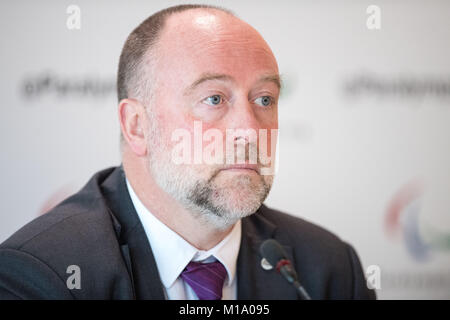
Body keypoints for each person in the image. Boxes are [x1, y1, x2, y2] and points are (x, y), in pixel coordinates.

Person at [0, 4, 376, 300]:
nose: (250, 130)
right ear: (137, 126)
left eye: (265, 99)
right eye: (214, 98)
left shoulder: (328, 268)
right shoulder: (43, 274)